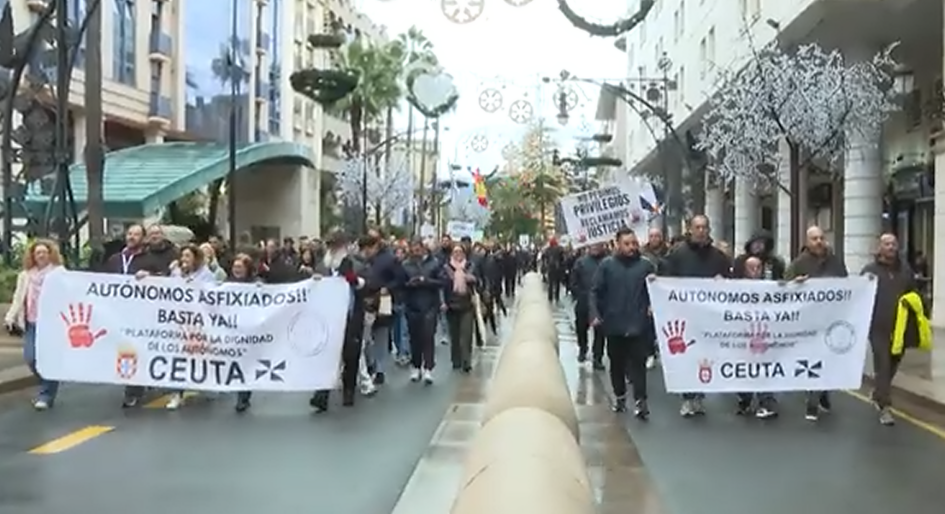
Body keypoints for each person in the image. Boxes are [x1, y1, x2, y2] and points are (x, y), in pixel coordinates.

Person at [663, 215, 732, 417]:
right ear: (690, 229)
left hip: (708, 316)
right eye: (697, 227)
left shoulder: (718, 257)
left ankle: (699, 396)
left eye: (704, 227)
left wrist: (723, 280)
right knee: (686, 356)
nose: (701, 231)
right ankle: (687, 398)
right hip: (684, 317)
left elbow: (730, 282)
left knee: (704, 357)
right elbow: (666, 277)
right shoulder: (677, 254)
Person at [784, 225, 848, 422]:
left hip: (830, 320)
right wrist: (796, 283)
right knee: (812, 359)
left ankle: (822, 393)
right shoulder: (798, 264)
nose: (819, 242)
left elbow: (846, 286)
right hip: (808, 322)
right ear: (807, 242)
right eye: (814, 239)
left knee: (827, 359)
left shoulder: (835, 262)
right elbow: (785, 287)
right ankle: (813, 401)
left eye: (821, 238)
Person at [589, 228, 655, 418]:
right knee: (616, 364)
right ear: (617, 244)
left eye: (634, 243)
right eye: (627, 243)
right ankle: (619, 397)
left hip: (638, 323)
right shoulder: (606, 266)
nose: (631, 247)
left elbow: (658, 289)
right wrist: (595, 314)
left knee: (638, 365)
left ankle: (641, 401)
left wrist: (652, 301)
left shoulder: (646, 266)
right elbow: (595, 291)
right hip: (614, 323)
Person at [104, 224, 169, 408]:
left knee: (133, 351)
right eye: (129, 234)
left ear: (144, 238)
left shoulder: (150, 259)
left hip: (141, 315)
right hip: (117, 314)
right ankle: (133, 382)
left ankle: (133, 391)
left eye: (136, 234)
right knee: (121, 351)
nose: (132, 237)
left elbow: (165, 281)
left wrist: (150, 276)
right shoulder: (115, 259)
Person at [861, 233, 919, 426]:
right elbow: (859, 297)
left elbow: (914, 295)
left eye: (894, 244)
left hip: (901, 328)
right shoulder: (869, 271)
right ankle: (885, 407)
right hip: (878, 327)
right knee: (883, 365)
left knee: (893, 364)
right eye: (887, 244)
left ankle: (879, 392)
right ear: (879, 247)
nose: (891, 247)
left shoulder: (905, 270)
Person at [310, 232, 370, 411]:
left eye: (336, 246)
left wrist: (352, 279)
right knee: (326, 357)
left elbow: (368, 287)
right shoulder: (322, 267)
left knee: (351, 356)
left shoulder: (357, 265)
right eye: (330, 246)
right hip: (328, 320)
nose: (333, 249)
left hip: (351, 317)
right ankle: (322, 395)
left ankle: (349, 391)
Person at [5, 239, 64, 410]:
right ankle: (50, 381)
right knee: (31, 358)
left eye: (44, 252)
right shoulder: (25, 275)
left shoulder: (59, 273)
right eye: (37, 253)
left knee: (48, 359)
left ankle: (46, 395)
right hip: (31, 322)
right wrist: (10, 317)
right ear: (33, 256)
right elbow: (18, 298)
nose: (41, 255)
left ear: (50, 254)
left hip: (51, 324)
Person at [165, 243, 217, 410]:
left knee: (198, 355)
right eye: (182, 256)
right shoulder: (176, 272)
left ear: (196, 258)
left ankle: (205, 383)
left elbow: (212, 296)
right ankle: (176, 394)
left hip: (197, 323)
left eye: (188, 256)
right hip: (178, 322)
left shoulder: (206, 275)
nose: (184, 259)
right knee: (177, 357)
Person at [734, 256, 779, 419]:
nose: (755, 271)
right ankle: (744, 401)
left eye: (758, 267)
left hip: (764, 335)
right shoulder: (736, 288)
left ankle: (766, 401)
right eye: (751, 267)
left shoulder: (771, 287)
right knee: (744, 369)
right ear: (745, 269)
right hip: (743, 335)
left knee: (764, 368)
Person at [402, 239, 444, 383]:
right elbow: (401, 284)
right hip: (412, 305)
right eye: (413, 249)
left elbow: (441, 282)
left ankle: (428, 368)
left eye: (418, 248)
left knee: (428, 336)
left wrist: (426, 281)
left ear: (423, 249)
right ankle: (416, 366)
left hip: (430, 305)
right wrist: (410, 284)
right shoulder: (406, 265)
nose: (416, 251)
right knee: (414, 338)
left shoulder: (434, 263)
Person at [229, 254, 259, 413]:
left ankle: (243, 397)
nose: (236, 270)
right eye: (235, 267)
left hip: (249, 331)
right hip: (231, 330)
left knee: (245, 363)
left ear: (247, 269)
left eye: (240, 267)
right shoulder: (227, 284)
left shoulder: (256, 284)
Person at [570, 242, 607, 369]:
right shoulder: (580, 262)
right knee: (581, 328)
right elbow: (573, 281)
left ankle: (597, 357)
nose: (595, 247)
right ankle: (583, 348)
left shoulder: (607, 262)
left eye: (598, 245)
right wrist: (579, 294)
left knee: (600, 332)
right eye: (593, 245)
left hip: (601, 303)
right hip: (584, 301)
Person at [443, 244, 478, 372]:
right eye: (455, 252)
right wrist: (443, 302)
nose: (458, 255)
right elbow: (443, 286)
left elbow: (477, 280)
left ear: (464, 254)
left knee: (467, 334)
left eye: (460, 252)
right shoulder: (446, 268)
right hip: (451, 305)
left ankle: (466, 361)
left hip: (467, 304)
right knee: (455, 335)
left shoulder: (470, 266)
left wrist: (471, 278)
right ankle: (456, 360)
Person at [542, 237, 566, 303]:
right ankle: (557, 297)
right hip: (557, 269)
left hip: (550, 268)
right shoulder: (559, 249)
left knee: (551, 283)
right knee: (557, 283)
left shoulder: (547, 250)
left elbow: (544, 257)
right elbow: (562, 259)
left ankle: (550, 297)